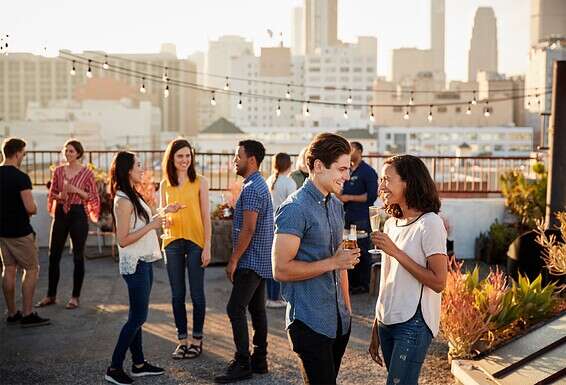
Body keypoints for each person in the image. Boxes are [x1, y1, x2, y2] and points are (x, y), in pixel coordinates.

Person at [273, 133, 361, 385]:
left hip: (339, 321)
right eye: (342, 169)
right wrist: (333, 262)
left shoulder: (335, 204)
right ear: (319, 166)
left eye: (349, 169)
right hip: (309, 323)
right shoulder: (294, 208)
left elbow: (340, 261)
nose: (347, 176)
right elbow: (280, 269)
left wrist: (347, 309)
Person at [369, 155, 448, 385]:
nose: (381, 186)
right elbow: (387, 277)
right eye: (380, 179)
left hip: (413, 321)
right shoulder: (392, 223)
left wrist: (396, 252)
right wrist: (376, 322)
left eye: (387, 179)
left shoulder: (430, 223)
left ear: (409, 182)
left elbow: (438, 282)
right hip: (387, 319)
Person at [105, 151, 177, 385]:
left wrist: (165, 212)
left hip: (143, 261)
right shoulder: (123, 200)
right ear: (127, 170)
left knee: (136, 316)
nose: (142, 169)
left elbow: (143, 222)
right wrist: (153, 225)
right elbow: (123, 239)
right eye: (138, 165)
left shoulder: (131, 194)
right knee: (137, 317)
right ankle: (114, 367)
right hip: (134, 265)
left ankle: (138, 364)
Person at [214, 140, 273, 384]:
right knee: (257, 310)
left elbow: (248, 229)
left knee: (234, 309)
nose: (234, 160)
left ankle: (242, 362)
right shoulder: (259, 184)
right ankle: (259, 359)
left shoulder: (251, 189)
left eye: (237, 156)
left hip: (250, 260)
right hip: (261, 258)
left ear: (251, 160)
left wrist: (233, 260)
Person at [160, 138, 211, 359]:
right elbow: (161, 215)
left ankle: (197, 340)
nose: (184, 160)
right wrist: (166, 218)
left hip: (195, 242)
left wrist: (207, 246)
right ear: (172, 158)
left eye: (188, 155)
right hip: (171, 243)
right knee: (177, 294)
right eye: (180, 156)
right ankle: (182, 340)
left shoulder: (200, 181)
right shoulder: (164, 184)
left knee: (197, 294)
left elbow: (205, 216)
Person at [36, 139, 100, 310]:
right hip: (60, 214)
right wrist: (60, 196)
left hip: (78, 214)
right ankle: (50, 295)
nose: (68, 154)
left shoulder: (87, 173)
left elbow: (92, 196)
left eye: (71, 151)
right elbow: (52, 194)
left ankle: (75, 297)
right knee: (53, 255)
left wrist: (74, 190)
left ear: (79, 153)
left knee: (78, 256)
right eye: (66, 151)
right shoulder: (58, 171)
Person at [0, 138, 50, 328]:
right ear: (18, 153)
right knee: (31, 269)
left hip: (2, 232)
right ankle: (28, 314)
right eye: (24, 153)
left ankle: (12, 313)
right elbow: (30, 207)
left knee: (8, 269)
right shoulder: (21, 177)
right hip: (20, 231)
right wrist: (35, 206)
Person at [337, 141, 378, 294]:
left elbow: (371, 196)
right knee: (348, 248)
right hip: (346, 217)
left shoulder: (368, 172)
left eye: (351, 149)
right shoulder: (348, 170)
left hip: (360, 217)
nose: (348, 152)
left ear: (359, 151)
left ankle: (364, 284)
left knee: (362, 250)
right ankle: (352, 283)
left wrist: (349, 197)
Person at [264, 153, 296, 308]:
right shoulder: (289, 183)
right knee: (284, 262)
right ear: (289, 165)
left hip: (269, 223)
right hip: (284, 225)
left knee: (273, 262)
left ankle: (271, 296)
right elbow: (293, 206)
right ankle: (277, 297)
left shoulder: (269, 180)